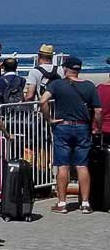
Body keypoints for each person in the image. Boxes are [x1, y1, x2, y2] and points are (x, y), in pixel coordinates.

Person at [39, 57, 103, 214]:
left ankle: (62, 203)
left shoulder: (57, 84)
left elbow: (43, 101)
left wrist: (49, 119)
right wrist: (97, 128)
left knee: (63, 165)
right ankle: (86, 203)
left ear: (65, 69)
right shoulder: (89, 86)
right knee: (82, 165)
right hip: (82, 127)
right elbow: (98, 111)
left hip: (62, 126)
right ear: (79, 69)